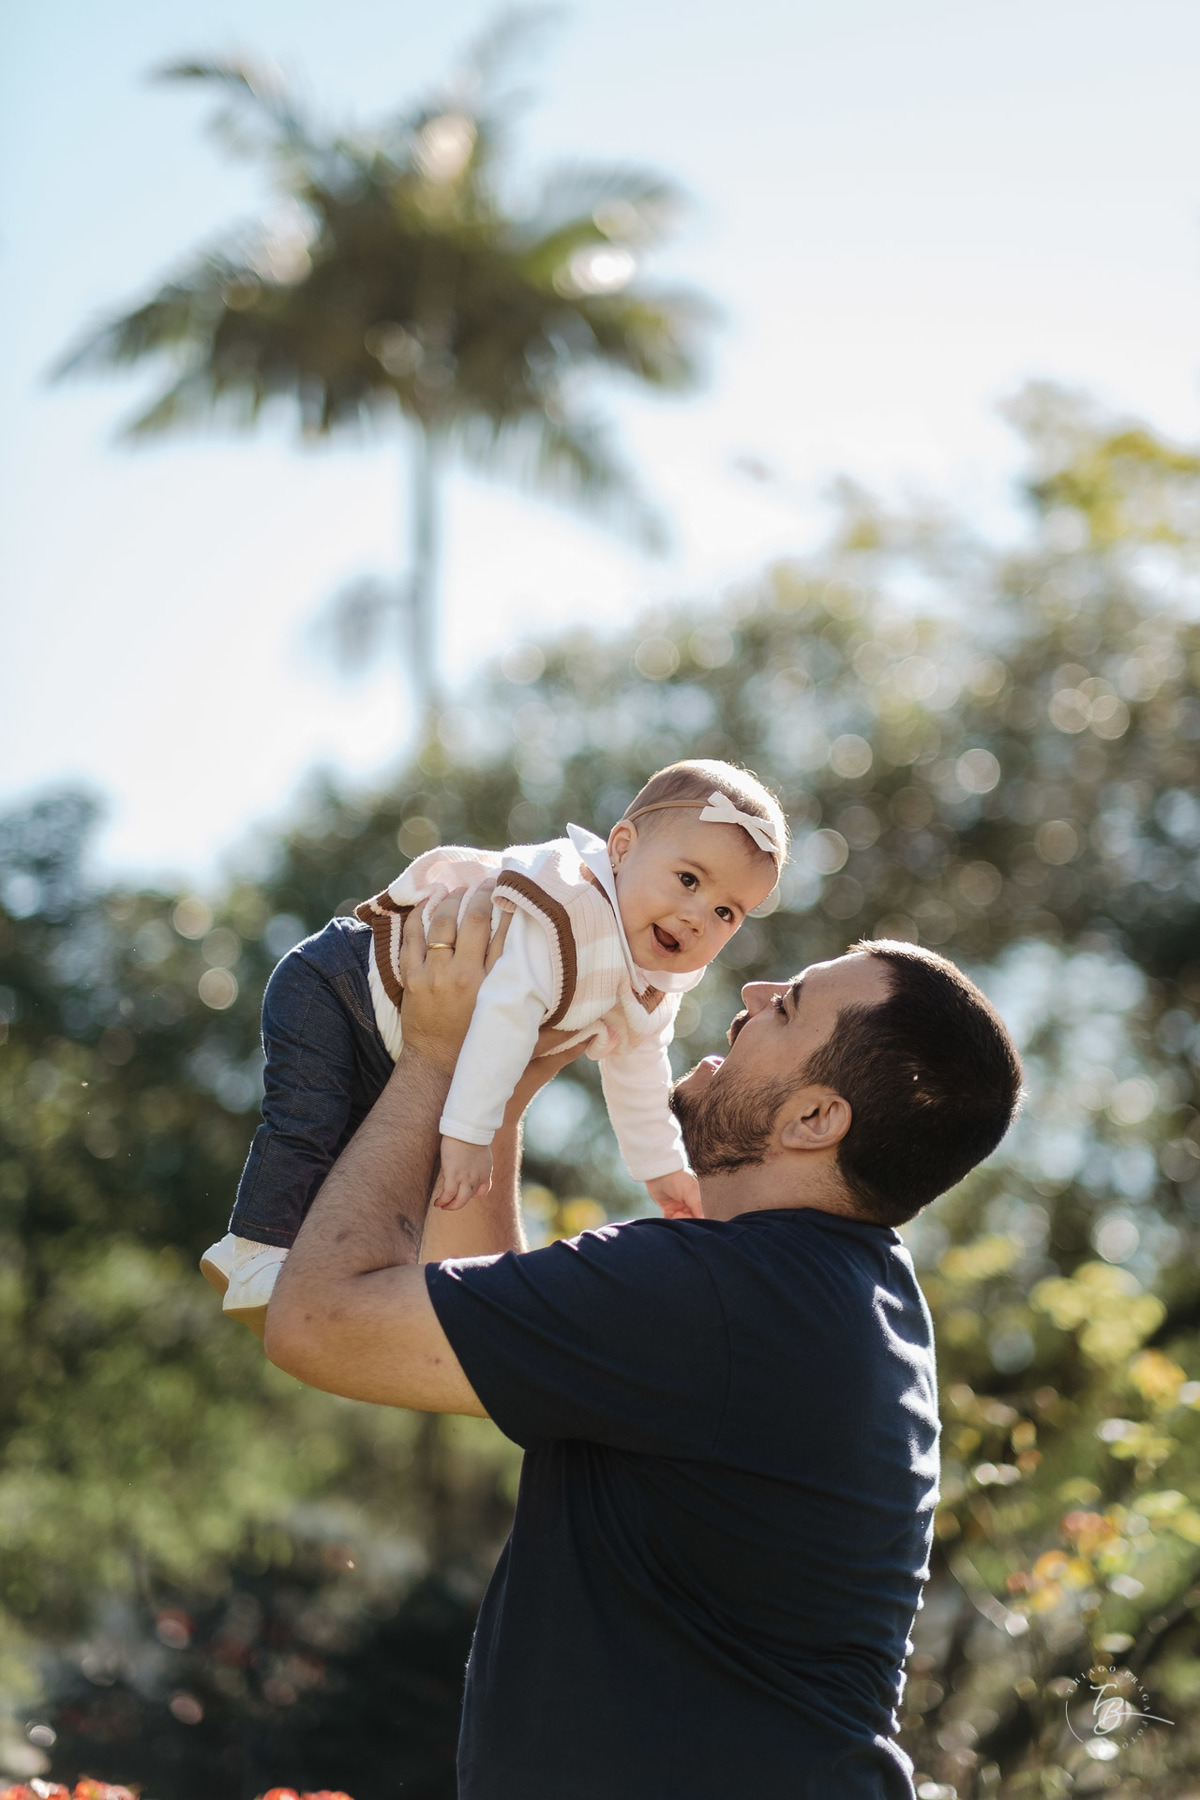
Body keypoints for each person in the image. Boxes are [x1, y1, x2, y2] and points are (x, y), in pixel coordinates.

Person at [264, 887, 1023, 1800]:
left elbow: (322, 1324)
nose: (751, 992)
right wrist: (496, 1093)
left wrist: (432, 1058)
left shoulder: (718, 1294)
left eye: (786, 1007)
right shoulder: (836, 1289)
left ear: (815, 1120)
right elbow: (483, 1343)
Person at [201, 759, 785, 1329]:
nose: (695, 917)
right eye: (687, 880)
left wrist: (662, 1168)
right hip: (341, 985)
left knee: (359, 1165)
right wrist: (469, 1134)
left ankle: (288, 1261)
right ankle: (255, 1250)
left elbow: (640, 1070)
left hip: (392, 1041)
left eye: (725, 912)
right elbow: (506, 1014)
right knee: (307, 1124)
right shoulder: (573, 907)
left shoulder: (650, 980)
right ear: (623, 848)